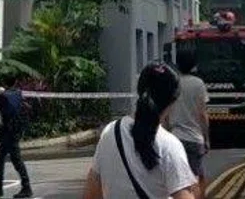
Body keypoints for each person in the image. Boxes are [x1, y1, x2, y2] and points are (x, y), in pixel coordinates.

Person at [83, 63, 198, 199]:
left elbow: (91, 194)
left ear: (139, 91)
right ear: (173, 101)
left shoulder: (110, 132)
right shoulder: (169, 146)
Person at [166, 49, 210, 199]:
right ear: (193, 65)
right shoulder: (198, 84)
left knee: (177, 180)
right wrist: (207, 138)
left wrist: (166, 132)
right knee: (195, 178)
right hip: (194, 138)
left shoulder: (173, 83)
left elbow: (167, 111)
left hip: (175, 137)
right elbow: (202, 114)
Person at [0, 80, 32, 198]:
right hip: (15, 130)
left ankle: (26, 188)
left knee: (15, 160)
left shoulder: (3, 97)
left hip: (9, 132)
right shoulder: (16, 93)